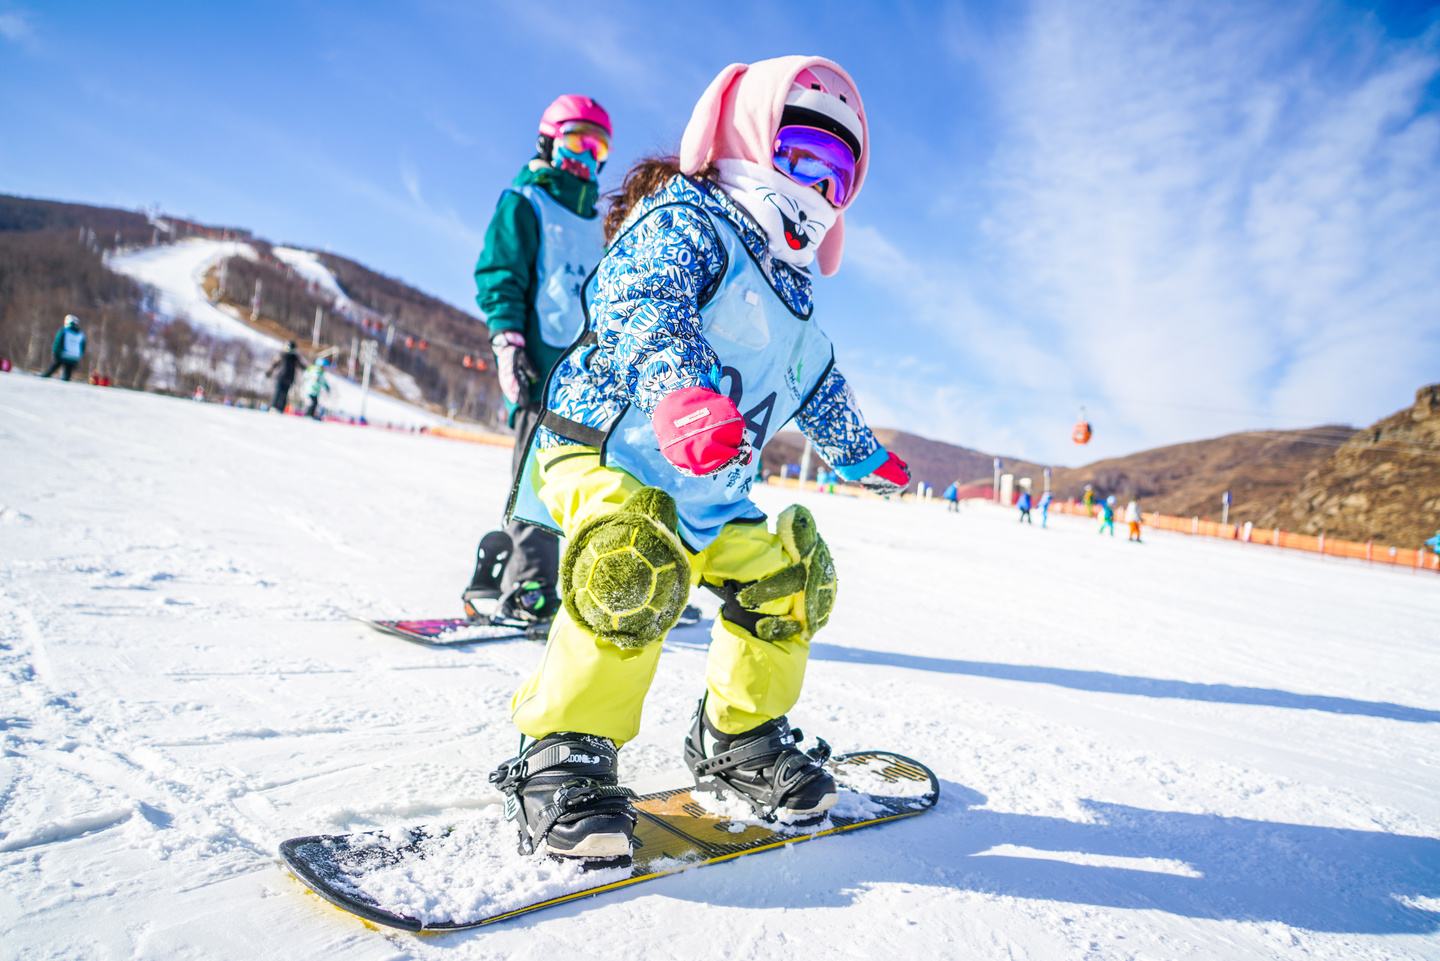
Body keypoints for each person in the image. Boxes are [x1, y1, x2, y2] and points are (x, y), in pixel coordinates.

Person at [488, 56, 910, 862]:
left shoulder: (792, 295)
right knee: (629, 561)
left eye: (835, 177)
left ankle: (739, 736)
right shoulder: (687, 219)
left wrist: (864, 457)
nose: (814, 188)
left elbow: (820, 383)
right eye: (798, 159)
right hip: (610, 454)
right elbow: (639, 301)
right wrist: (680, 393)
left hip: (708, 495)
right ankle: (562, 753)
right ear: (747, 138)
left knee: (789, 575)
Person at [462, 94, 613, 628]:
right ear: (549, 141)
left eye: (597, 149)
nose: (585, 158)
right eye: (576, 143)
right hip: (541, 366)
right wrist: (508, 343)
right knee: (539, 476)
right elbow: (500, 273)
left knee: (603, 481)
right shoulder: (525, 201)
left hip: (593, 374)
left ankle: (610, 582)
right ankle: (528, 584)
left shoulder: (601, 221)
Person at [42, 315, 86, 381]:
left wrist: (56, 352)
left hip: (63, 354)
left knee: (56, 364)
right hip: (75, 356)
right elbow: (82, 347)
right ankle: (66, 379)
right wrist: (78, 356)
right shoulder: (81, 334)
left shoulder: (64, 331)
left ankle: (46, 375)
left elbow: (58, 342)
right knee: (68, 369)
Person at [267, 340, 302, 412]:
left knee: (284, 393)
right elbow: (275, 363)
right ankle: (274, 407)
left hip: (289, 377)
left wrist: (307, 368)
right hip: (281, 376)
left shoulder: (295, 357)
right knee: (278, 392)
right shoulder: (282, 354)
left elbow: (301, 365)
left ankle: (280, 408)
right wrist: (269, 371)